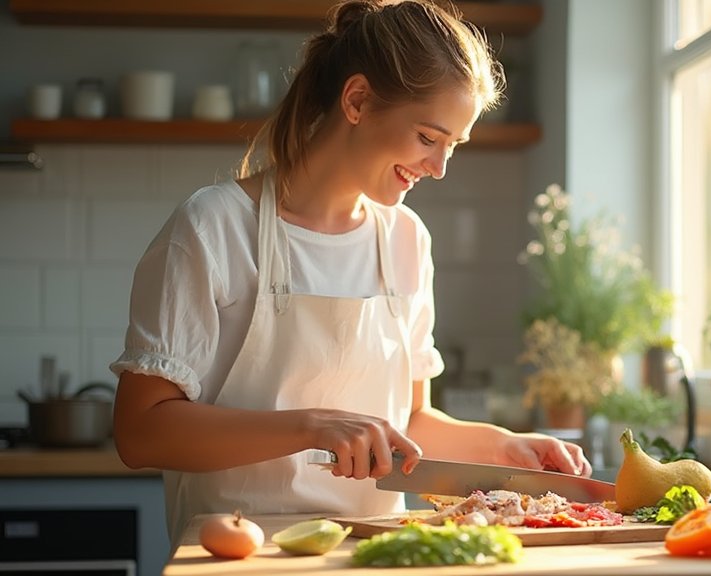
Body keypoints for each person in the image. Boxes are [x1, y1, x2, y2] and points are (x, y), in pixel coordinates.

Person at [110, 0, 593, 546]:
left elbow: (408, 421)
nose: (438, 169)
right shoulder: (213, 226)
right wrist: (311, 426)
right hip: (236, 553)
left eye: (452, 146)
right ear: (357, 100)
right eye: (428, 138)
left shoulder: (406, 238)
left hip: (371, 550)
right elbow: (141, 431)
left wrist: (503, 447)